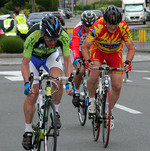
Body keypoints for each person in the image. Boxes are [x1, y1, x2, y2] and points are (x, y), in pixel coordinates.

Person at [21, 14, 73, 150]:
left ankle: (55, 112)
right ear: (43, 34)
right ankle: (27, 131)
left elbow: (67, 61)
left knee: (57, 81)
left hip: (50, 56)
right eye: (49, 40)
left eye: (55, 40)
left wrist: (69, 80)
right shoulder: (33, 36)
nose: (52, 43)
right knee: (33, 94)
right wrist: (27, 83)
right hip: (33, 59)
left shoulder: (63, 37)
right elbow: (25, 63)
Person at [81, 5, 135, 128]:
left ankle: (108, 112)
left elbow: (131, 48)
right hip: (98, 51)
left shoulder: (123, 27)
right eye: (110, 24)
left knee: (117, 86)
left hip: (115, 53)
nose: (112, 27)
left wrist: (128, 62)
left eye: (115, 24)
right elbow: (84, 46)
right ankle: (91, 100)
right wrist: (88, 60)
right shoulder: (98, 26)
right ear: (104, 21)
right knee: (94, 74)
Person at [70, 10, 97, 107]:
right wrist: (77, 58)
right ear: (82, 23)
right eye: (86, 25)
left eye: (91, 25)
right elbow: (75, 46)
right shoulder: (77, 28)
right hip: (78, 51)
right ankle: (76, 92)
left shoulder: (97, 28)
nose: (89, 28)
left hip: (89, 51)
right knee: (80, 70)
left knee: (95, 69)